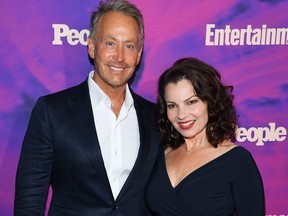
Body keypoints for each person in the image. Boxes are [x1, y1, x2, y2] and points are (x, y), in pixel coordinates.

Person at [14, 0, 160, 215]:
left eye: (129, 46)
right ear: (92, 46)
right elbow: (30, 198)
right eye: (110, 43)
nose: (119, 56)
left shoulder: (154, 116)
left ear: (138, 55)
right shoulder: (52, 111)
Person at [145, 57, 265, 216]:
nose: (182, 115)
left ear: (210, 101)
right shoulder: (159, 152)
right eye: (172, 106)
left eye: (191, 102)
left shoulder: (237, 160)